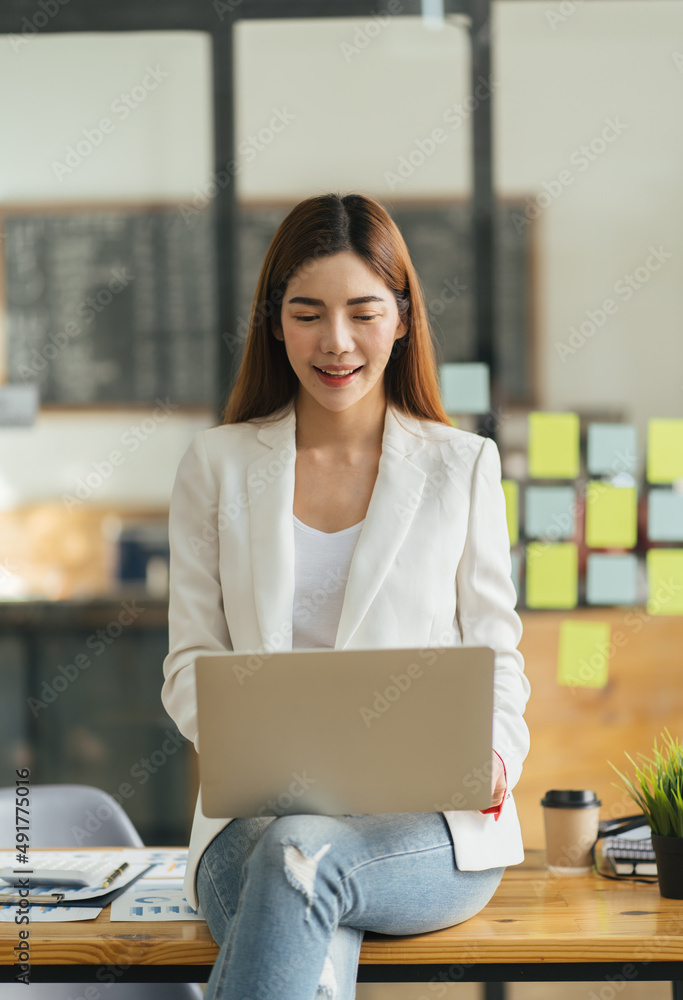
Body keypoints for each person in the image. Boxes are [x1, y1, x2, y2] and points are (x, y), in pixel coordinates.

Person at [161, 191, 531, 1000]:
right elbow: (189, 660)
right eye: (306, 313)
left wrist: (496, 754)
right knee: (297, 854)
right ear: (273, 322)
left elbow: (497, 652)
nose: (335, 342)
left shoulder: (459, 465)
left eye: (363, 312)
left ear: (401, 319)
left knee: (302, 865)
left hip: (425, 832)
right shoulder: (216, 466)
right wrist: (243, 740)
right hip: (252, 827)